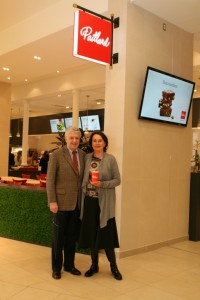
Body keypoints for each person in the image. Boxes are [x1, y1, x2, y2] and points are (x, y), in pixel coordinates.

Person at [79, 131, 122, 280]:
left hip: (104, 204)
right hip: (89, 202)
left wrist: (102, 184)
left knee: (107, 236)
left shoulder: (110, 159)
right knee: (92, 235)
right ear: (91, 143)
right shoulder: (86, 158)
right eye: (94, 141)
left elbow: (117, 180)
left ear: (105, 143)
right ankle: (94, 265)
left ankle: (114, 267)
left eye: (100, 141)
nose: (97, 143)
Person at [46, 126, 85, 280]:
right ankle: (56, 268)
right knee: (58, 238)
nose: (74, 140)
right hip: (60, 204)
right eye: (71, 138)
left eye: (77, 138)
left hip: (77, 204)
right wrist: (52, 201)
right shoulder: (56, 154)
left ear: (79, 140)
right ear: (66, 139)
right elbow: (50, 180)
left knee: (71, 238)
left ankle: (69, 265)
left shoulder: (83, 155)